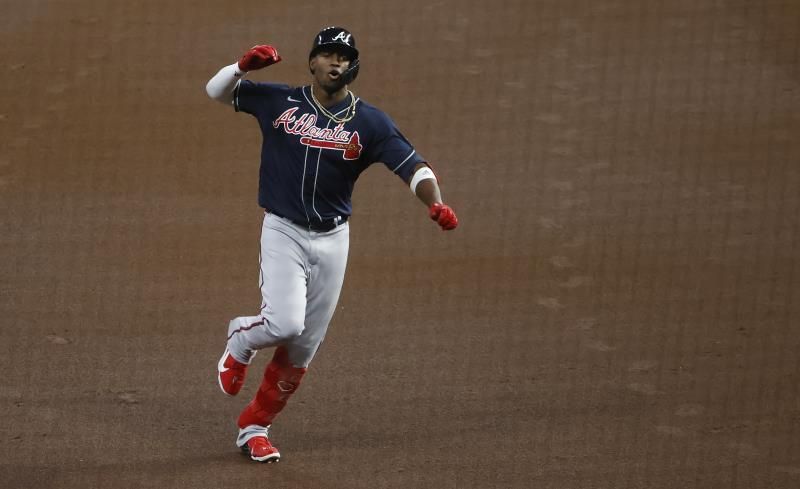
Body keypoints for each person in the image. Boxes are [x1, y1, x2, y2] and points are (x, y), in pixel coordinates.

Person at [205, 26, 458, 463]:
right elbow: (217, 92)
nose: (336, 62)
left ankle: (254, 427)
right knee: (284, 324)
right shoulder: (279, 101)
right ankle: (241, 340)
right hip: (283, 230)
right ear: (312, 62)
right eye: (327, 54)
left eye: (344, 56)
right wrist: (242, 66)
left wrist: (435, 203)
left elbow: (414, 167)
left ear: (353, 66)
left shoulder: (370, 122)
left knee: (303, 349)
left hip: (333, 240)